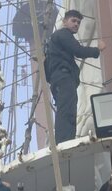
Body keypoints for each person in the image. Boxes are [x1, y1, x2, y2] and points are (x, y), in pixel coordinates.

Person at [43, 9, 104, 143]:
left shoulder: (55, 40)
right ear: (64, 22)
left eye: (78, 22)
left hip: (59, 79)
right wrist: (97, 49)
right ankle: (65, 141)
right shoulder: (63, 34)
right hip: (64, 78)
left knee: (66, 109)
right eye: (73, 21)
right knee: (67, 110)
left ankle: (65, 140)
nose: (76, 24)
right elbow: (78, 51)